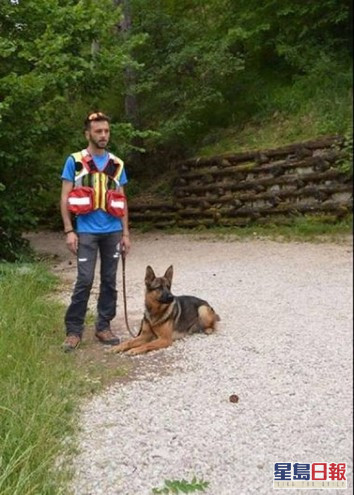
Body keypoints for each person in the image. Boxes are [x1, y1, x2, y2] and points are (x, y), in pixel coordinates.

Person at [60, 111, 131, 352]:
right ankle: (73, 330)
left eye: (106, 131)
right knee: (84, 280)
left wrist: (126, 234)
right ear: (87, 133)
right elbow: (64, 197)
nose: (103, 135)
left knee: (109, 281)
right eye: (98, 131)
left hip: (112, 231)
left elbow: (122, 200)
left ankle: (103, 326)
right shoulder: (75, 161)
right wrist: (69, 230)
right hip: (86, 232)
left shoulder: (117, 164)